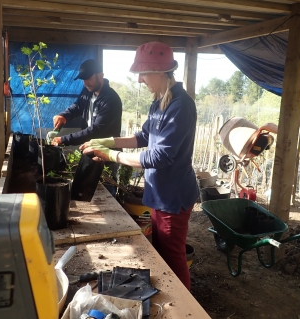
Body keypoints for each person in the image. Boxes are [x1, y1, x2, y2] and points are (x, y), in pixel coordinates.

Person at [79, 42, 199, 290]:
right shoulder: (160, 102)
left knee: (173, 257)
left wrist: (112, 155)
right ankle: (171, 298)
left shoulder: (180, 105)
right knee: (161, 252)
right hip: (159, 194)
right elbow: (142, 137)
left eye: (143, 74)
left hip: (173, 197)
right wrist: (108, 141)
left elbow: (159, 157)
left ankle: (186, 309)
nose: (140, 81)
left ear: (160, 72)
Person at [49, 59, 122, 196]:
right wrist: (64, 115)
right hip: (90, 149)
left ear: (100, 75)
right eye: (83, 79)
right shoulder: (88, 91)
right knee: (89, 189)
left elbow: (95, 130)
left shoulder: (111, 100)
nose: (85, 83)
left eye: (88, 78)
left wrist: (63, 139)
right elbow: (77, 106)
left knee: (106, 189)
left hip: (107, 154)